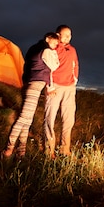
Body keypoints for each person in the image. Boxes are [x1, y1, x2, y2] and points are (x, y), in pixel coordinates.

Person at [2, 32, 60, 158]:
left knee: (27, 120)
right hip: (35, 85)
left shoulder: (34, 48)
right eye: (55, 42)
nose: (56, 45)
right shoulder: (46, 51)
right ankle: (8, 149)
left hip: (28, 83)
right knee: (23, 118)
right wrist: (50, 87)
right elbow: (54, 67)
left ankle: (21, 152)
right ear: (47, 39)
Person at [43, 24, 79, 157]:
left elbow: (75, 64)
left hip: (69, 88)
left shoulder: (72, 49)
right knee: (50, 118)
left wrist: (74, 80)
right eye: (66, 34)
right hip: (55, 87)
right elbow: (46, 67)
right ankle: (49, 150)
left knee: (69, 119)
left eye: (70, 35)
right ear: (58, 35)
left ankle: (65, 149)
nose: (69, 37)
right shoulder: (53, 48)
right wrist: (49, 86)